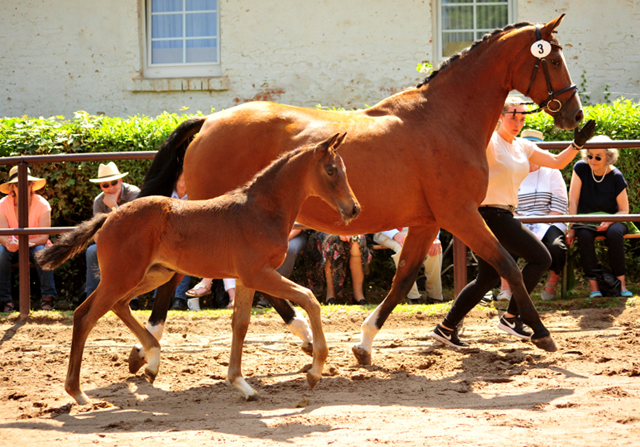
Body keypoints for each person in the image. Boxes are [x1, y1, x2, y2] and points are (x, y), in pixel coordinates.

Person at [428, 97, 596, 348]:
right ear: (499, 116)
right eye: (512, 116)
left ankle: (446, 328)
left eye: (522, 118)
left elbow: (557, 162)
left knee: (486, 279)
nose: (518, 122)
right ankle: (511, 317)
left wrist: (577, 143)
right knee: (541, 258)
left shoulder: (523, 147)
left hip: (505, 214)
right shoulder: (488, 140)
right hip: (490, 215)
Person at [496, 129, 569, 302]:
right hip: (519, 220)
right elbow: (505, 202)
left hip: (549, 220)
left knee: (556, 247)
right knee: (506, 244)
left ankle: (553, 280)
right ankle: (506, 287)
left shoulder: (552, 172)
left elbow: (559, 205)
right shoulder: (512, 171)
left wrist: (540, 223)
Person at [566, 135, 633, 298]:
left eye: (597, 157)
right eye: (589, 155)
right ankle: (594, 287)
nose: (592, 160)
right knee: (583, 235)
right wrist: (571, 227)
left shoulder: (616, 176)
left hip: (614, 218)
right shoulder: (580, 168)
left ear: (608, 158)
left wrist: (609, 221)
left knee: (614, 233)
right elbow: (573, 201)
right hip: (587, 220)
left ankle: (621, 284)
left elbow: (624, 210)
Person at [0, 166, 58, 312]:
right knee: (1, 253)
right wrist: (8, 243)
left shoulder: (42, 203)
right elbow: (3, 234)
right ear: (12, 187)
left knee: (43, 251)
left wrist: (25, 243)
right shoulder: (2, 204)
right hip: (12, 245)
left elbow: (44, 237)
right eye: (19, 184)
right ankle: (5, 300)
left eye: (27, 183)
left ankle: (48, 299)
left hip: (35, 244)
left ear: (32, 185)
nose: (23, 187)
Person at [85, 162, 140, 308]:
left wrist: (113, 206)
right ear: (100, 186)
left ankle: (131, 299)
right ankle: (91, 298)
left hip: (134, 241)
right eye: (105, 185)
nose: (110, 187)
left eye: (114, 182)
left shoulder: (134, 193)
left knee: (130, 250)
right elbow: (97, 234)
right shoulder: (98, 201)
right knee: (91, 252)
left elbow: (132, 227)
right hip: (110, 243)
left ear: (121, 181)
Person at [373, 227, 444, 304]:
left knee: (435, 250)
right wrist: (395, 234)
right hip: (387, 230)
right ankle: (413, 297)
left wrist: (434, 236)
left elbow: (433, 218)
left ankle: (435, 296)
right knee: (403, 250)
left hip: (416, 229)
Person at [305, 232, 372, 305]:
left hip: (354, 229)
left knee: (358, 240)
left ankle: (358, 296)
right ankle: (330, 295)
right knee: (331, 239)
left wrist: (348, 231)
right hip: (325, 229)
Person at [255, 226, 309, 308]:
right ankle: (264, 292)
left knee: (289, 249)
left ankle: (275, 293)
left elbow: (298, 227)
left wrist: (282, 240)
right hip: (273, 234)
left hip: (296, 234)